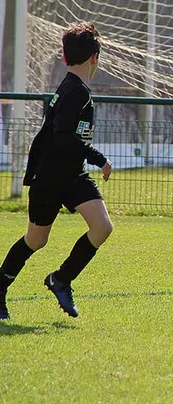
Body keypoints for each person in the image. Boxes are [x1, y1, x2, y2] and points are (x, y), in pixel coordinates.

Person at [0, 22, 113, 320]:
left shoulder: (76, 89)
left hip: (72, 174)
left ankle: (61, 279)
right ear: (95, 58)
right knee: (36, 240)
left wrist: (87, 160)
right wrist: (98, 157)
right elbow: (63, 136)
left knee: (102, 226)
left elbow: (67, 138)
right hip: (49, 177)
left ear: (64, 57)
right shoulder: (74, 91)